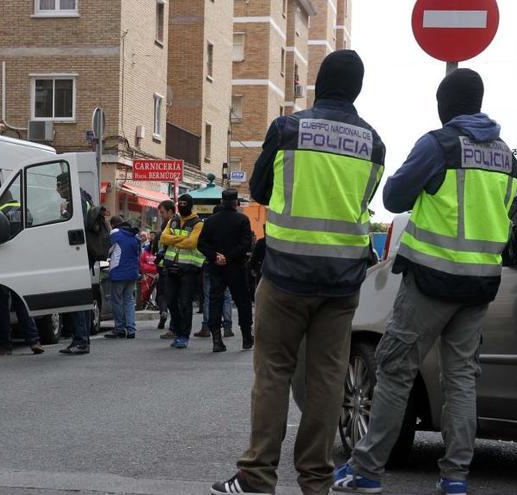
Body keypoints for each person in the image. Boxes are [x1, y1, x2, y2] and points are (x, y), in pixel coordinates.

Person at [333, 69, 517, 495]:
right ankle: (455, 478)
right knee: (461, 379)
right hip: (479, 286)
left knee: (395, 370)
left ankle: (367, 471)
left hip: (432, 280)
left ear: (444, 105)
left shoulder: (438, 145)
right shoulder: (508, 157)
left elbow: (394, 197)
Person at [211, 50, 386, 495]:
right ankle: (316, 480)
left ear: (318, 83)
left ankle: (257, 475)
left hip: (287, 273)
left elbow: (262, 188)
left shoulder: (289, 129)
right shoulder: (374, 144)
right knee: (327, 378)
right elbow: (363, 200)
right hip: (343, 281)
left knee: (273, 371)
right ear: (358, 89)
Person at [197, 189, 255, 353]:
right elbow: (245, 244)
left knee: (215, 300)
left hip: (216, 267)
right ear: (236, 202)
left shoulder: (210, 221)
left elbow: (201, 244)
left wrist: (216, 256)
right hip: (236, 266)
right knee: (242, 301)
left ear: (221, 202)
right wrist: (229, 257)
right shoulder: (242, 220)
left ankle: (217, 339)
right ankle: (246, 337)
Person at [0, 194, 43, 355]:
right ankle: (34, 340)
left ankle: (5, 344)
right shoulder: (25, 209)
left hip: (2, 262)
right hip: (22, 262)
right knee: (22, 303)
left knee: (2, 305)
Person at [57, 172, 97, 356]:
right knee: (80, 298)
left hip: (79, 255)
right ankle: (81, 338)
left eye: (59, 185)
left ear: (67, 185)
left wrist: (64, 213)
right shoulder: (84, 198)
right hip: (84, 254)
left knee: (77, 298)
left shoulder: (77, 202)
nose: (57, 190)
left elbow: (75, 228)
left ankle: (81, 340)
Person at [160, 194, 204, 350]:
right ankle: (177, 331)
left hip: (188, 269)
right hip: (171, 266)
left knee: (185, 304)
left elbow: (192, 243)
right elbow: (163, 238)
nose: (182, 206)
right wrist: (181, 240)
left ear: (190, 205)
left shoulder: (198, 223)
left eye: (185, 204)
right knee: (171, 301)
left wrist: (174, 238)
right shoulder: (174, 220)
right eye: (180, 203)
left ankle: (183, 336)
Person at [196, 205, 233, 339]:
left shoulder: (209, 226)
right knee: (227, 296)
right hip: (227, 265)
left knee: (209, 296)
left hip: (210, 264)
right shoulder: (231, 226)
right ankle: (228, 326)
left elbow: (201, 245)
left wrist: (213, 256)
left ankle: (206, 326)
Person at [104, 216, 140, 339]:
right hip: (132, 273)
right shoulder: (134, 235)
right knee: (129, 300)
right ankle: (131, 329)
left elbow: (107, 250)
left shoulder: (115, 233)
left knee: (117, 301)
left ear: (113, 225)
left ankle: (119, 328)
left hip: (118, 272)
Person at [154, 200, 175, 337]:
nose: (161, 215)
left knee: (167, 295)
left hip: (171, 266)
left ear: (170, 211)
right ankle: (167, 316)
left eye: (162, 212)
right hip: (165, 266)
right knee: (164, 293)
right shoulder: (165, 226)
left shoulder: (174, 224)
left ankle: (168, 318)